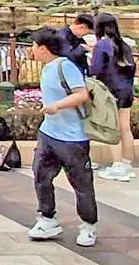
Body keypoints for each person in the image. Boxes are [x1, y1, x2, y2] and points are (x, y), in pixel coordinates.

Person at [28, 26, 98, 248]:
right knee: (41, 175)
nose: (31, 50)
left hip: (72, 137)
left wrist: (56, 106)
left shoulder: (65, 67)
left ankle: (88, 225)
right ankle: (47, 219)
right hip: (49, 133)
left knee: (80, 182)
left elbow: (81, 94)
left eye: (33, 46)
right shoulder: (47, 68)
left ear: (44, 48)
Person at [91, 13, 137, 183]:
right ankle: (126, 164)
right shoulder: (124, 45)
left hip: (111, 91)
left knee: (113, 128)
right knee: (125, 127)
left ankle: (117, 166)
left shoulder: (102, 45)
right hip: (126, 90)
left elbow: (95, 69)